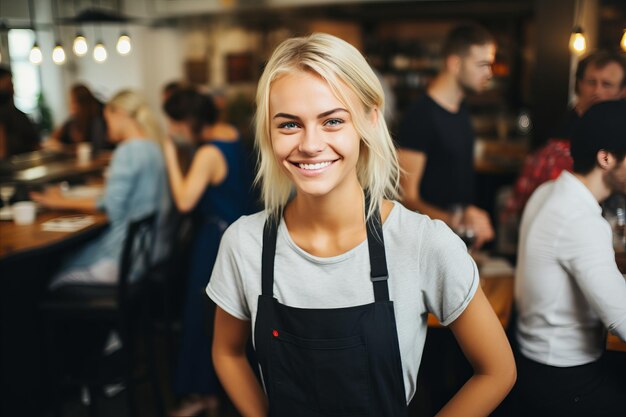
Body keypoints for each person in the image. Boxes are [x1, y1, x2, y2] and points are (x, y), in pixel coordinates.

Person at [207, 33, 515, 417]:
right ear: (268, 132)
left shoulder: (422, 242)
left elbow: (498, 371)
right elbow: (226, 351)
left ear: (370, 119)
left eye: (332, 120)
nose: (311, 144)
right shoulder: (244, 243)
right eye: (289, 125)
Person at [514, 100, 626, 417]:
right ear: (606, 158)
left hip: (535, 366)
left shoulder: (549, 191)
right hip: (564, 382)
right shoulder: (581, 220)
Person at [162, 88, 254, 417]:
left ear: (187, 122)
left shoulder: (208, 154)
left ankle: (202, 395)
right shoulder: (232, 135)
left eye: (173, 123)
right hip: (237, 235)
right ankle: (215, 392)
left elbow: (185, 200)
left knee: (201, 316)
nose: (171, 130)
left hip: (214, 240)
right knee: (224, 317)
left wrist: (170, 153)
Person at [31, 90, 171, 288]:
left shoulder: (127, 151)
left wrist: (58, 201)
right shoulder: (154, 147)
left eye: (108, 119)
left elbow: (110, 206)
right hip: (150, 253)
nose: (107, 127)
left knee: (52, 279)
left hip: (122, 261)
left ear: (120, 114)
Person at [397, 23, 496, 250]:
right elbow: (406, 198)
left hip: (454, 243)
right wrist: (457, 221)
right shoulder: (420, 116)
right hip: (426, 245)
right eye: (482, 65)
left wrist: (468, 216)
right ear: (455, 63)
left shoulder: (460, 109)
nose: (489, 73)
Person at [504, 50, 626, 220]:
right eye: (591, 82)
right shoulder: (557, 137)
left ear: (622, 91)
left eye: (606, 84)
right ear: (579, 85)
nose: (597, 91)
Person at [45, 84, 110, 154]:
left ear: (83, 104)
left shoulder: (97, 122)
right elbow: (52, 139)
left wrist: (64, 148)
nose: (69, 105)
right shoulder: (72, 121)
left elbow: (96, 150)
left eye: (73, 102)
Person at [0, 66, 40, 159]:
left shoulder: (16, 114)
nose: (12, 88)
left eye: (11, 84)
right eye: (9, 84)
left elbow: (35, 144)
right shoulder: (9, 113)